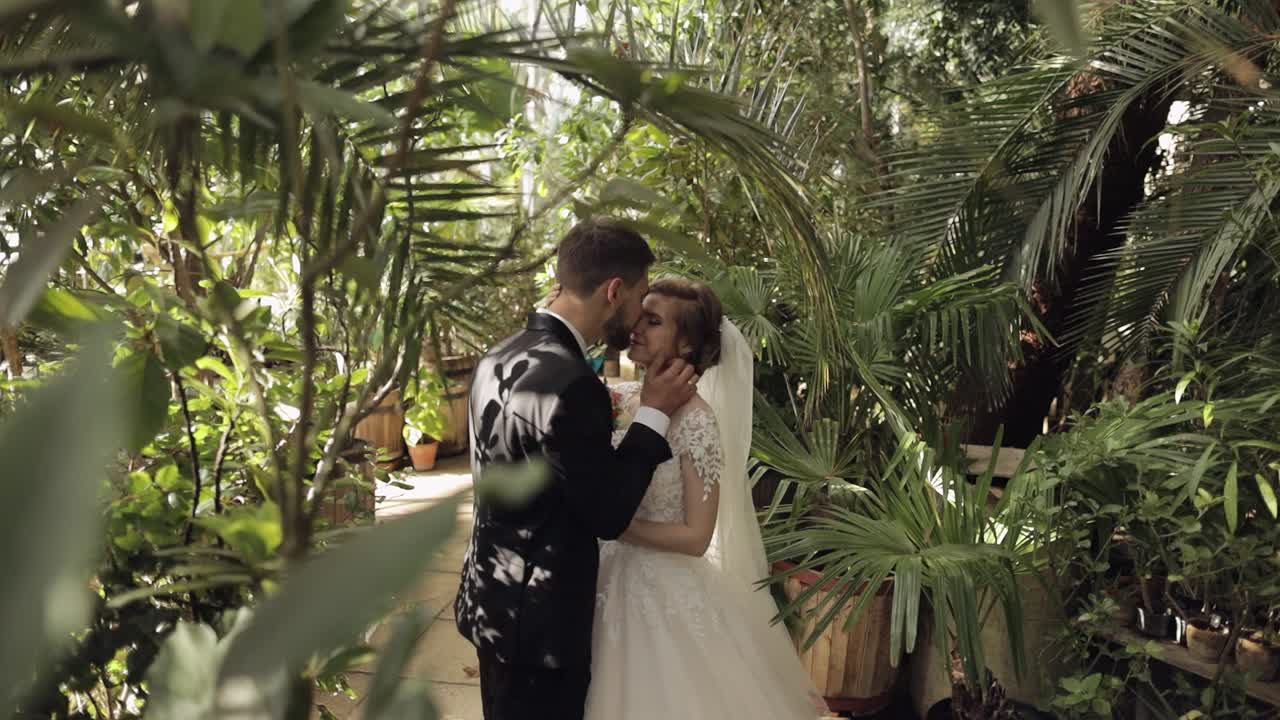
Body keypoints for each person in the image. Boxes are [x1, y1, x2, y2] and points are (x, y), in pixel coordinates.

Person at [453, 217, 698, 720]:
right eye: (640, 298)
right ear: (614, 291)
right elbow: (607, 513)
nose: (638, 317)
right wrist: (653, 413)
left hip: (491, 601)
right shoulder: (572, 384)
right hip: (541, 627)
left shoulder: (499, 355)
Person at [585, 277, 828, 720]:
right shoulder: (621, 398)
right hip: (599, 576)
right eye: (641, 316)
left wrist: (614, 524)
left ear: (686, 344)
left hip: (659, 589)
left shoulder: (697, 422)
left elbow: (697, 536)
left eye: (654, 322)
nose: (636, 327)